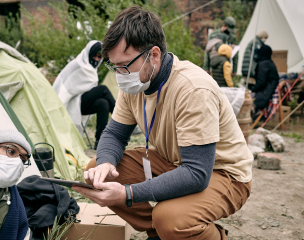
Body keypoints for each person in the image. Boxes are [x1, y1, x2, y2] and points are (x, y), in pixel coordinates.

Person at [72, 6, 253, 240]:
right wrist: (106, 162)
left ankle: (202, 234)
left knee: (170, 218)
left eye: (124, 65)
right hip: (175, 161)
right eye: (113, 66)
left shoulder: (193, 89)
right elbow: (115, 133)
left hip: (223, 172)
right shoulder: (137, 82)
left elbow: (197, 173)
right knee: (97, 171)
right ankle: (159, 234)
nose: (119, 74)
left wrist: (128, 193)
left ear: (154, 55)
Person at [53, 40, 116, 149]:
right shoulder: (76, 65)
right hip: (72, 103)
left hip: (83, 104)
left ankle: (99, 141)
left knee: (103, 103)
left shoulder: (92, 70)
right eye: (94, 56)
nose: (96, 59)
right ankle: (122, 119)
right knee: (103, 89)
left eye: (99, 57)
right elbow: (64, 88)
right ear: (88, 54)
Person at [251, 45, 279, 110]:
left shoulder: (263, 64)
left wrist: (252, 90)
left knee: (247, 96)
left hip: (266, 90)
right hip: (269, 88)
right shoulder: (269, 62)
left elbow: (261, 83)